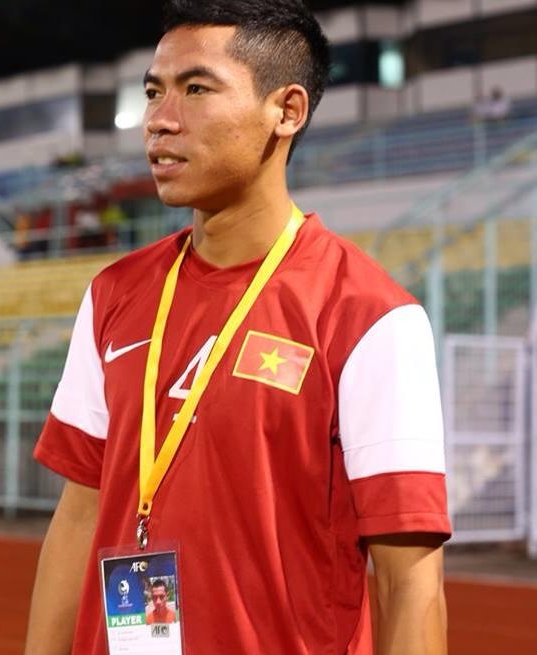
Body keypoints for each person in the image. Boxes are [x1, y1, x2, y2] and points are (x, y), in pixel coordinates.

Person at [24, 2, 450, 654]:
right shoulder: (113, 293)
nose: (160, 119)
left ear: (287, 111)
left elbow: (409, 581)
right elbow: (79, 515)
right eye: (154, 92)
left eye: (196, 89)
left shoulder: (370, 316)